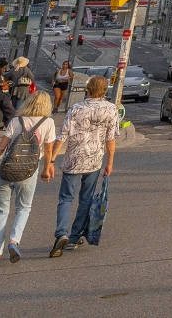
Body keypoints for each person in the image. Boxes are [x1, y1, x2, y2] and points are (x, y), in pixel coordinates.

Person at [0, 91, 55, 265]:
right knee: (23, 208)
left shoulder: (15, 121)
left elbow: (0, 148)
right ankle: (14, 240)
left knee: (0, 211)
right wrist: (47, 169)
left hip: (7, 170)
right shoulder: (48, 123)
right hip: (28, 172)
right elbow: (48, 151)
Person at [51, 74, 118, 257]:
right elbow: (110, 139)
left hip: (73, 158)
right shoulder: (111, 110)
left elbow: (62, 136)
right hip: (94, 160)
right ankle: (73, 237)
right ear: (104, 91)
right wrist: (110, 162)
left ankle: (61, 233)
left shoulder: (76, 108)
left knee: (66, 197)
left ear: (88, 89)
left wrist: (51, 160)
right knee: (86, 198)